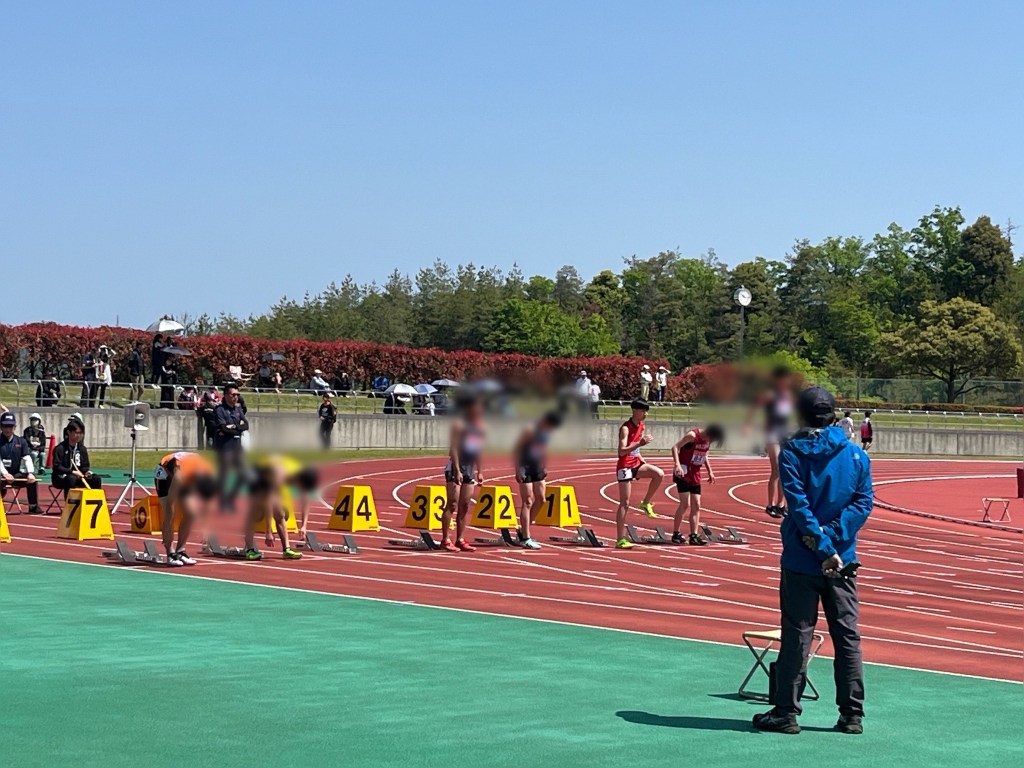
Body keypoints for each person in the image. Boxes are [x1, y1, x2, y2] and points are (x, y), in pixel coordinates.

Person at [753, 386, 871, 736]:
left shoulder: (791, 453)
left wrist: (820, 542)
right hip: (843, 561)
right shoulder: (855, 456)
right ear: (834, 417)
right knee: (847, 636)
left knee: (797, 634)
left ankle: (786, 711)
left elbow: (799, 506)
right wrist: (834, 539)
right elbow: (863, 503)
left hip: (802, 559)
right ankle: (852, 714)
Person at [242, 454, 317, 560]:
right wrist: (268, 532)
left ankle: (287, 549)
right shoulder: (280, 474)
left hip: (270, 476)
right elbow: (269, 502)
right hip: (257, 475)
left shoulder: (301, 477)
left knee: (279, 513)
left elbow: (306, 500)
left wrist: (304, 526)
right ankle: (249, 549)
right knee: (255, 511)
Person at [613, 399, 664, 549]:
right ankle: (620, 539)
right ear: (634, 411)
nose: (645, 414)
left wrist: (642, 460)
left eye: (646, 411)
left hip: (636, 463)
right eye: (643, 411)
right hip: (625, 467)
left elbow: (636, 449)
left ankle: (645, 502)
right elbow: (621, 451)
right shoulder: (625, 428)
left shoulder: (642, 426)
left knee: (659, 474)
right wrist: (640, 443)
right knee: (625, 503)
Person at [155, 451, 219, 567]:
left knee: (192, 513)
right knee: (169, 514)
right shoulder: (180, 476)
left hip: (188, 474)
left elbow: (208, 504)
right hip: (165, 475)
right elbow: (170, 504)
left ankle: (180, 550)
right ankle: (170, 553)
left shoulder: (208, 472)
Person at [441, 392, 486, 552]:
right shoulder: (459, 425)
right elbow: (453, 449)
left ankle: (460, 538)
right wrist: (457, 469)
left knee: (465, 505)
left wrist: (480, 471)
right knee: (452, 504)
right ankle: (445, 539)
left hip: (469, 468)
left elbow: (478, 450)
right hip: (456, 467)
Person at [747, 365, 794, 518]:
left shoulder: (787, 395)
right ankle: (770, 504)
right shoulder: (769, 394)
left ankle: (781, 504)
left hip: (784, 433)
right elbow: (754, 406)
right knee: (776, 469)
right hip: (772, 433)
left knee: (785, 470)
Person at [513, 410, 563, 550]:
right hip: (525, 466)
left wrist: (545, 465)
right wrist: (518, 469)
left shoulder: (547, 432)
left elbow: (543, 449)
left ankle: (524, 530)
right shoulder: (530, 429)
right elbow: (517, 449)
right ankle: (526, 538)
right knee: (528, 501)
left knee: (541, 499)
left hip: (537, 467)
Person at [670, 424, 724, 545]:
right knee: (685, 504)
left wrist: (710, 471)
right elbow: (675, 447)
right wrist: (677, 465)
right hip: (683, 472)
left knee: (697, 505)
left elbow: (704, 455)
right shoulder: (692, 436)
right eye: (712, 439)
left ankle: (693, 535)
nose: (711, 442)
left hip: (695, 474)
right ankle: (676, 533)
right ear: (709, 434)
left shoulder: (707, 440)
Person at [213, 383, 250, 510]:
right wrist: (237, 427)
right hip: (224, 446)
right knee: (224, 474)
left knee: (243, 474)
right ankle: (223, 503)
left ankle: (230, 498)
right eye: (233, 394)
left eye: (237, 395)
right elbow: (223, 428)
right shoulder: (219, 410)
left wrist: (233, 427)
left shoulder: (238, 409)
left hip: (237, 446)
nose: (236, 397)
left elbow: (246, 425)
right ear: (226, 395)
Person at [0, 412, 42, 514]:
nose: (8, 429)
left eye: (10, 426)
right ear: (1, 427)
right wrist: (5, 473)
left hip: (15, 474)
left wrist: (30, 473)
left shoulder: (21, 441)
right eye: (5, 426)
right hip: (1, 475)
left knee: (32, 480)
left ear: (14, 427)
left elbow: (27, 458)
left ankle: (33, 506)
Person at [51, 418, 101, 498]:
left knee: (96, 478)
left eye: (81, 433)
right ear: (69, 432)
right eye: (77, 433)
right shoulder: (60, 448)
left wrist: (87, 472)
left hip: (79, 476)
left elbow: (85, 466)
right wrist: (72, 472)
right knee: (71, 479)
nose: (79, 435)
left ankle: (93, 502)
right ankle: (70, 504)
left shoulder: (82, 449)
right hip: (61, 478)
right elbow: (57, 467)